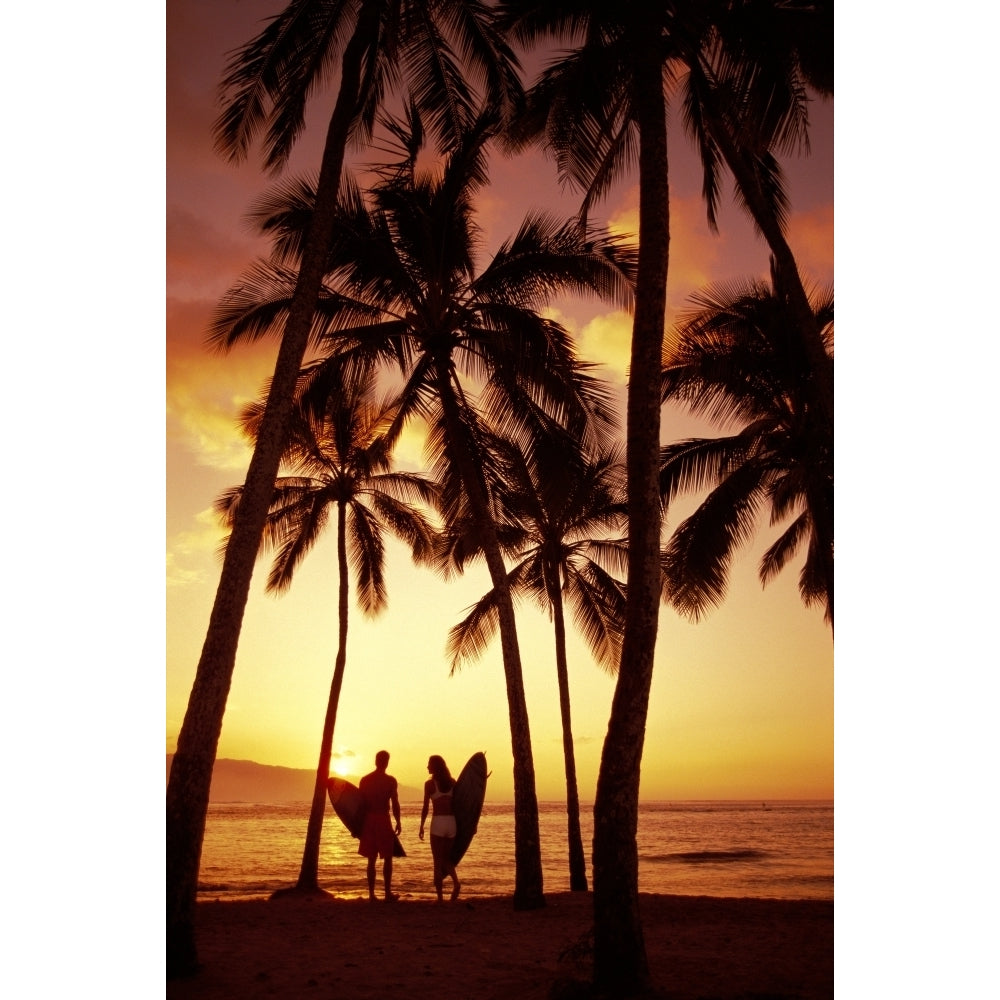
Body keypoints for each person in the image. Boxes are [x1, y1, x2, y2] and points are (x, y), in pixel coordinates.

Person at [358, 750, 402, 901]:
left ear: (376, 761)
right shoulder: (390, 781)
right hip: (383, 819)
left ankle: (371, 894)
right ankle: (387, 893)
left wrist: (357, 826)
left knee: (371, 859)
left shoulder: (365, 780)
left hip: (369, 819)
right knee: (388, 857)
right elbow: (395, 803)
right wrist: (398, 821)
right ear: (387, 762)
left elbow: (360, 806)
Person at [418, 755, 461, 901]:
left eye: (429, 764)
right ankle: (456, 882)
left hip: (438, 822)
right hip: (452, 823)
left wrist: (422, 826)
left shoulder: (429, 784)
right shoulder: (452, 782)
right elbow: (461, 805)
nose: (427, 766)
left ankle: (440, 898)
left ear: (435, 766)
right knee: (447, 859)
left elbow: (425, 807)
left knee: (437, 861)